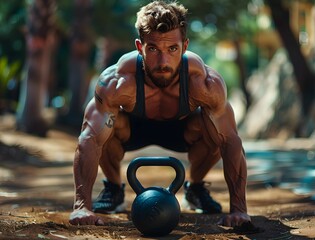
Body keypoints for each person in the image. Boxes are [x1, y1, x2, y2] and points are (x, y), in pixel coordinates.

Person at [69, 0, 251, 228]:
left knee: (214, 128)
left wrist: (239, 210)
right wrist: (81, 206)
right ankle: (114, 188)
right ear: (139, 47)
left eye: (172, 49)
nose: (163, 62)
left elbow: (230, 141)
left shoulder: (204, 83)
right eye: (153, 49)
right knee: (104, 128)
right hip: (132, 128)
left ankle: (195, 188)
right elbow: (89, 139)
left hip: (184, 130)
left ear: (185, 46)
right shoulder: (117, 82)